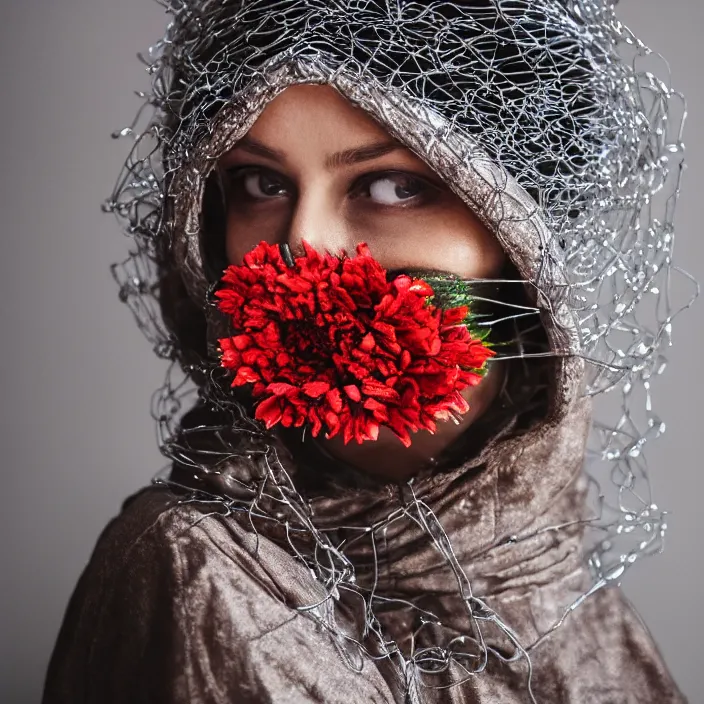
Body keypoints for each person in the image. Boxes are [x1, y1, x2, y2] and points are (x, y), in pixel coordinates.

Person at [43, 1, 688, 702]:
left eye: (395, 186)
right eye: (262, 183)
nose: (304, 243)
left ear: (526, 239)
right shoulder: (203, 577)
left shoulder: (575, 607)